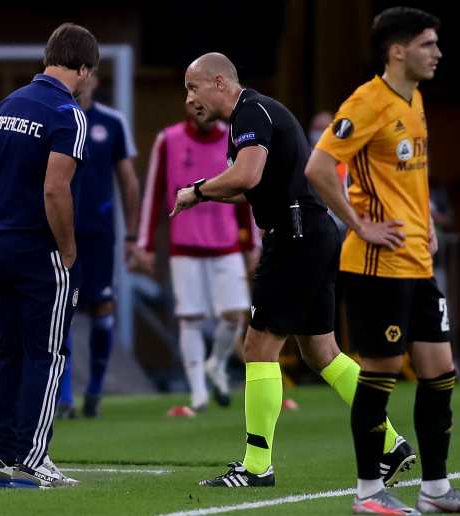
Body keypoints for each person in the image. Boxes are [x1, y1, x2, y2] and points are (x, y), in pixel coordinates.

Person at [172, 52, 415, 489]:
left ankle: (256, 466)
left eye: (194, 87)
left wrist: (197, 190)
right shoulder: (255, 114)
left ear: (220, 82)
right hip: (312, 234)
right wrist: (209, 192)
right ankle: (390, 443)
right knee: (322, 353)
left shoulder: (250, 113)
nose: (189, 98)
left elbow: (246, 176)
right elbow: (252, 186)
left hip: (295, 236)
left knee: (257, 347)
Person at [306, 7, 460, 514]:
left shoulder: (414, 100)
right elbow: (319, 167)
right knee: (381, 373)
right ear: (397, 50)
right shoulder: (367, 102)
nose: (437, 53)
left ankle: (435, 490)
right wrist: (358, 224)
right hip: (377, 266)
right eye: (427, 44)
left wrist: (426, 219)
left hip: (416, 262)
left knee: (440, 370)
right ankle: (368, 492)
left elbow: (408, 173)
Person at [0, 23, 98, 489]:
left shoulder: (6, 106)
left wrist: (1, 223)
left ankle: (4, 457)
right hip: (39, 249)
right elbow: (55, 188)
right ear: (83, 69)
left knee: (8, 351)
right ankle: (32, 459)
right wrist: (67, 248)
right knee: (45, 354)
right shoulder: (68, 114)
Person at [135, 102, 257, 411]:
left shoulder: (233, 138)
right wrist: (145, 244)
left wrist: (252, 243)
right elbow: (154, 194)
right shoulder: (169, 140)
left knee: (235, 315)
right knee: (190, 318)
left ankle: (216, 364)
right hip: (185, 246)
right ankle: (198, 391)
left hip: (226, 243)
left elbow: (246, 190)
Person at [55, 72, 141, 419]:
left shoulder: (112, 122)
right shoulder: (55, 116)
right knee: (62, 310)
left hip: (99, 235)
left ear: (94, 80)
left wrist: (132, 235)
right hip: (60, 231)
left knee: (102, 307)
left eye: (87, 74)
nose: (82, 81)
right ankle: (64, 398)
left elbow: (128, 181)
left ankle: (94, 391)